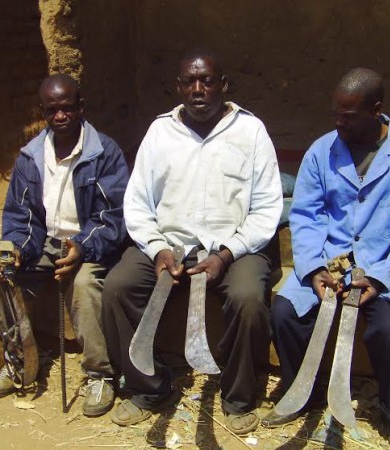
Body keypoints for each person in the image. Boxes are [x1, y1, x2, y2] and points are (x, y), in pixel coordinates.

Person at [101, 50, 283, 435]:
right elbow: (136, 203)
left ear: (224, 85)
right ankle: (148, 388)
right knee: (118, 287)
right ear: (178, 86)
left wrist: (227, 252)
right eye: (190, 82)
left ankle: (238, 399)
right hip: (170, 243)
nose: (199, 89)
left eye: (208, 81)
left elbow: (267, 207)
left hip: (235, 247)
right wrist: (156, 248)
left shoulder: (250, 132)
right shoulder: (159, 132)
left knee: (249, 298)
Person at [262, 68, 390, 450]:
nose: (338, 122)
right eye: (336, 114)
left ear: (376, 110)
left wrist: (379, 278)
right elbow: (306, 216)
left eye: (349, 115)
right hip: (328, 264)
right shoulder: (321, 151)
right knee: (285, 313)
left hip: (387, 268)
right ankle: (301, 393)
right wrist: (313, 269)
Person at [0, 74, 129, 418]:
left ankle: (99, 373)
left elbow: (114, 215)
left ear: (81, 108)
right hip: (44, 242)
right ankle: (21, 361)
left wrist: (82, 247)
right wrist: (17, 247)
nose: (60, 116)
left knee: (82, 284)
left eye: (67, 108)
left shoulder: (103, 153)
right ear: (43, 112)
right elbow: (20, 214)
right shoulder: (31, 157)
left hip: (90, 244)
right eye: (52, 110)